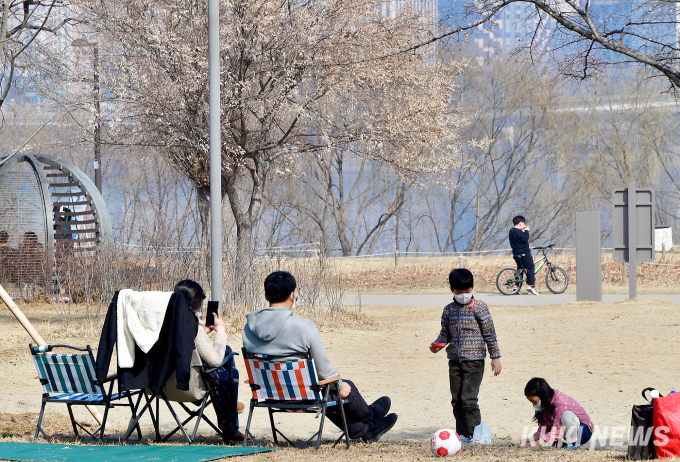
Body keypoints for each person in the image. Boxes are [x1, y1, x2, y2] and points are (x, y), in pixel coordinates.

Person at [243, 271, 398, 443]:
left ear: (265, 295)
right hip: (305, 396)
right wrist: (339, 385)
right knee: (342, 388)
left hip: (270, 395)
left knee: (331, 390)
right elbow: (324, 370)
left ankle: (366, 427)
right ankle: (370, 416)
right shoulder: (304, 327)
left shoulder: (248, 330)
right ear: (293, 295)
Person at [430, 268, 502, 443]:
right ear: (452, 290)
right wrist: (437, 345)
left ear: (472, 287)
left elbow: (489, 333)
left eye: (467, 292)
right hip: (454, 361)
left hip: (474, 361)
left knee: (469, 399)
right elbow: (445, 334)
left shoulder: (480, 307)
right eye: (460, 292)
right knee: (457, 400)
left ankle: (476, 435)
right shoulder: (449, 310)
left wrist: (495, 356)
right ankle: (462, 434)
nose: (464, 295)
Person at [172, 280, 246, 443]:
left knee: (225, 367)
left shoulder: (163, 324)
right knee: (229, 363)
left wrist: (203, 332)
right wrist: (220, 332)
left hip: (162, 386)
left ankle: (233, 418)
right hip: (189, 387)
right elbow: (214, 360)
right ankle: (232, 424)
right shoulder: (194, 328)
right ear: (196, 306)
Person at [522, 377, 594, 448]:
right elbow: (543, 428)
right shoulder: (546, 403)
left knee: (566, 416)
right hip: (566, 430)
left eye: (534, 402)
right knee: (554, 431)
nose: (534, 405)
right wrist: (531, 440)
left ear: (542, 395)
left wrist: (537, 443)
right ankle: (563, 444)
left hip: (583, 431)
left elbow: (557, 430)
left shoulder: (561, 403)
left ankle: (573, 445)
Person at [509, 215, 539, 295]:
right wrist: (526, 231)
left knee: (520, 269)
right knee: (530, 267)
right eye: (523, 224)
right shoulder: (518, 232)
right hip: (524, 253)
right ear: (520, 223)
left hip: (516, 253)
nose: (524, 225)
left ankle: (517, 286)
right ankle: (531, 286)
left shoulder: (511, 231)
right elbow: (525, 239)